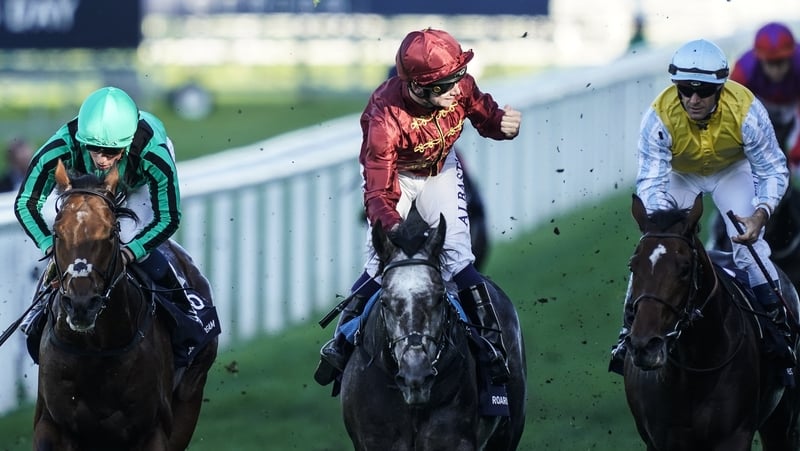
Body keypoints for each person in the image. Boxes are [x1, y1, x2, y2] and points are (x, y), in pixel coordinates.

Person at [313, 28, 522, 386]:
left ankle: (491, 345)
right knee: (382, 264)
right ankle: (341, 340)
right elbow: (378, 194)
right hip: (396, 176)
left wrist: (502, 125)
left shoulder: (460, 86)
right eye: (448, 83)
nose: (459, 88)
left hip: (441, 169)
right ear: (419, 88)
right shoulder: (384, 120)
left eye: (459, 78)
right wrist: (393, 230)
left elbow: (485, 115)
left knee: (457, 256)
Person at [608, 39, 792, 375]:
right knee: (653, 253)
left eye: (704, 91)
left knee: (750, 250)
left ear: (720, 88)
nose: (693, 99)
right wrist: (661, 226)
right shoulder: (657, 118)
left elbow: (772, 169)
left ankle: (779, 334)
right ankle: (627, 332)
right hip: (682, 175)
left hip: (732, 171)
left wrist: (760, 213)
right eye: (685, 90)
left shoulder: (747, 110)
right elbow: (651, 182)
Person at [14, 86, 217, 367]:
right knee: (68, 238)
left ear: (127, 141)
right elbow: (26, 203)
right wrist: (51, 245)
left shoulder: (153, 154)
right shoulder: (59, 148)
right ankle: (38, 312)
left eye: (111, 151)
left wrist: (130, 252)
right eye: (95, 149)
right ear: (83, 140)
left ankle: (186, 312)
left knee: (129, 235)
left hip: (137, 183)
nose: (102, 159)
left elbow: (169, 217)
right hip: (84, 186)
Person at [730, 22, 800, 173]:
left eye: (781, 62)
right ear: (759, 58)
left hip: (795, 106)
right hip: (761, 108)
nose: (776, 70)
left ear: (791, 56)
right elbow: (732, 110)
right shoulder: (743, 70)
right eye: (770, 63)